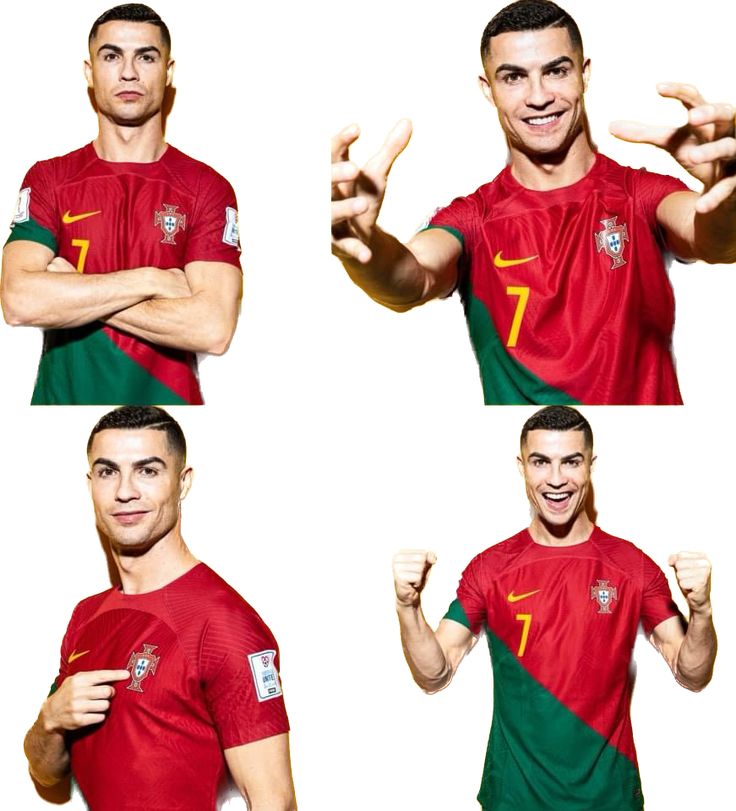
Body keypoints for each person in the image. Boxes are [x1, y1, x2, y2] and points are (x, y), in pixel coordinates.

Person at [331, 0, 736, 404]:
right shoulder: (473, 219)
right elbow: (409, 279)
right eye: (513, 77)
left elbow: (715, 239)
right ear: (488, 90)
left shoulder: (639, 195)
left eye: (556, 71)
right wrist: (363, 249)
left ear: (584, 73)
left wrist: (731, 193)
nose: (538, 96)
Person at [392, 405, 716, 810]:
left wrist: (701, 610)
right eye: (541, 462)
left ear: (591, 466)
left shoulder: (631, 566)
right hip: (513, 798)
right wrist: (408, 606)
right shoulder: (491, 568)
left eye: (571, 462)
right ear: (521, 467)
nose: (557, 479)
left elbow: (692, 672)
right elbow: (434, 673)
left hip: (609, 799)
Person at [24, 406, 296, 811]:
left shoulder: (224, 624)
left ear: (182, 482)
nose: (125, 491)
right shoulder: (86, 616)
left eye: (147, 470)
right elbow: (48, 775)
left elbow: (275, 801)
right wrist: (50, 720)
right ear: (90, 483)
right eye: (107, 471)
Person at [1, 4, 242, 405]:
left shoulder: (206, 187)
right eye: (111, 56)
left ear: (168, 71)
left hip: (172, 409)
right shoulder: (50, 179)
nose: (128, 72)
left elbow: (212, 328)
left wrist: (70, 288)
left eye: (145, 57)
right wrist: (152, 279)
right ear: (89, 71)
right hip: (61, 410)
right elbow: (18, 301)